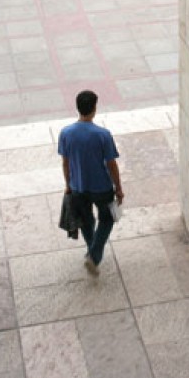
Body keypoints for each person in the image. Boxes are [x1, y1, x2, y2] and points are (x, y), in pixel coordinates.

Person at [58, 89, 123, 275]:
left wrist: (68, 184)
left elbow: (65, 162)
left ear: (78, 108)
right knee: (107, 218)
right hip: (102, 186)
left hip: (78, 186)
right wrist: (118, 188)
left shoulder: (66, 133)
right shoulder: (102, 134)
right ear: (94, 108)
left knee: (87, 221)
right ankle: (94, 255)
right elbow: (111, 164)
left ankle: (92, 250)